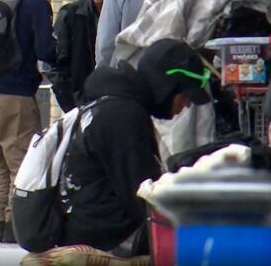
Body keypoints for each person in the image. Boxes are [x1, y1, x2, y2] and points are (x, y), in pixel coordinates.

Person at [59, 38, 212, 256]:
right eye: (185, 95)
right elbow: (143, 198)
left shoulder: (111, 104)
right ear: (167, 86)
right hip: (104, 237)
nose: (186, 105)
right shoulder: (124, 116)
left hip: (85, 227)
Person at [0, 0, 58, 243]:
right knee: (23, 164)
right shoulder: (35, 4)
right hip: (16, 96)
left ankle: (0, 222)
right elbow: (45, 51)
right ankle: (15, 228)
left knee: (0, 163)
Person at [47, 0, 113, 112]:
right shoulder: (71, 15)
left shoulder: (116, 14)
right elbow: (56, 64)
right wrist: (69, 101)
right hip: (79, 98)